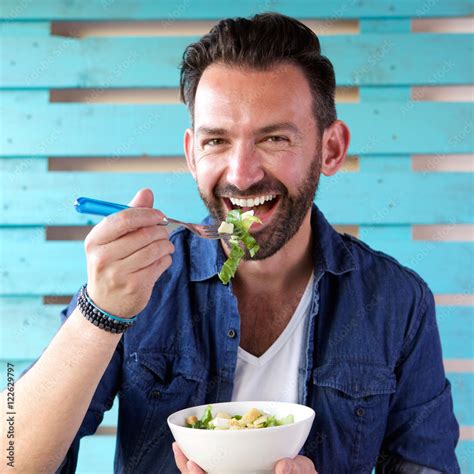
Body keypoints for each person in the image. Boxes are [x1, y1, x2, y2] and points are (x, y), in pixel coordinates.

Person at [0, 12, 460, 474]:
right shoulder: (139, 287)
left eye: (275, 138)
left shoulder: (396, 301)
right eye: (217, 140)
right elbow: (12, 458)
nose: (242, 175)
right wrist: (100, 314)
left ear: (330, 149)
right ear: (191, 153)